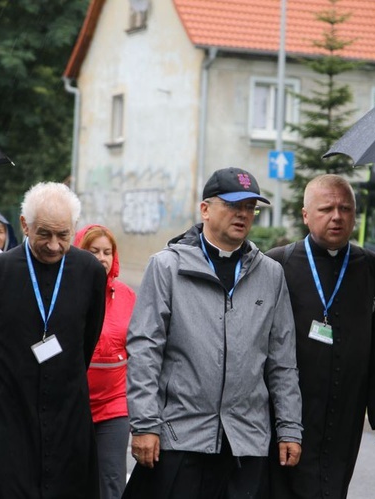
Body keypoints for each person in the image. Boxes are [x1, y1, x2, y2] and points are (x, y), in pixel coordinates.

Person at [124, 167, 303, 499]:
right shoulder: (167, 267)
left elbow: (282, 361)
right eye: (234, 205)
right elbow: (145, 351)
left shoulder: (270, 274)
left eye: (251, 207)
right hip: (181, 436)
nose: (243, 214)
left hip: (244, 442)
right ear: (205, 209)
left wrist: (290, 428)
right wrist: (145, 425)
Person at [265, 174, 375, 498]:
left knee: (332, 486)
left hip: (345, 409)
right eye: (327, 208)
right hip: (290, 407)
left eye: (346, 209)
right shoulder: (277, 263)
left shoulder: (371, 267)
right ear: (305, 215)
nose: (337, 217)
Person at [0, 182, 107, 498]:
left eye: (64, 235)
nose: (55, 246)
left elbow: (87, 340)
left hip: (67, 415)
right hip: (7, 414)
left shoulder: (89, 271)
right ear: (24, 225)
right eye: (44, 234)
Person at [74, 224, 136, 499]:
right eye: (93, 251)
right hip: (73, 405)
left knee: (111, 481)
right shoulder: (65, 292)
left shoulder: (126, 295)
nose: (101, 258)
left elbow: (140, 348)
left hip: (114, 405)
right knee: (71, 478)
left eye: (107, 252)